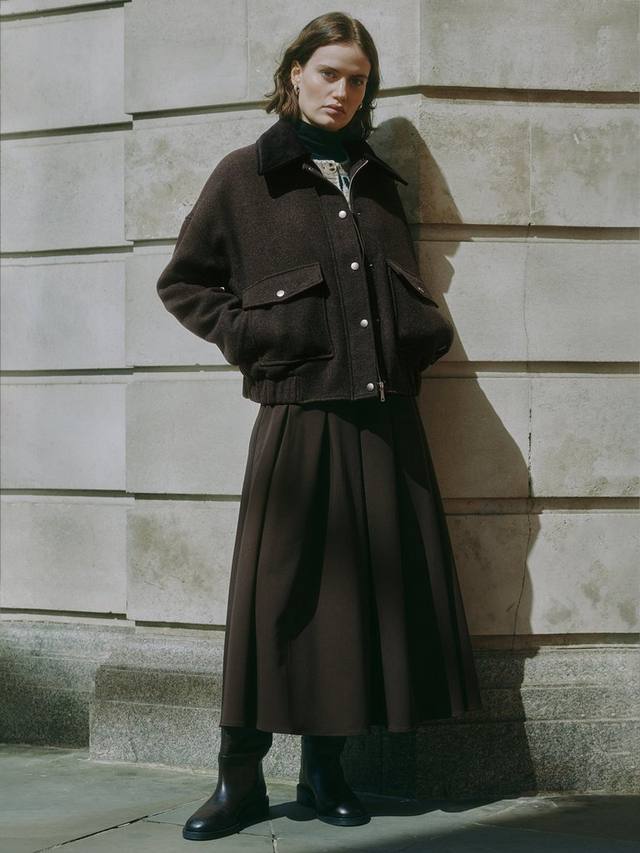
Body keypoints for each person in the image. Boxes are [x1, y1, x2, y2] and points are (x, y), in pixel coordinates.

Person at [156, 11, 483, 842]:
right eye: (329, 72)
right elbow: (184, 283)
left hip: (383, 417)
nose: (342, 90)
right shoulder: (246, 176)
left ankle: (325, 769)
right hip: (299, 416)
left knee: (354, 599)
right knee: (275, 598)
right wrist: (253, 336)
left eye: (357, 79)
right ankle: (238, 779)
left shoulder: (375, 181)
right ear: (294, 73)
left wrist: (420, 338)